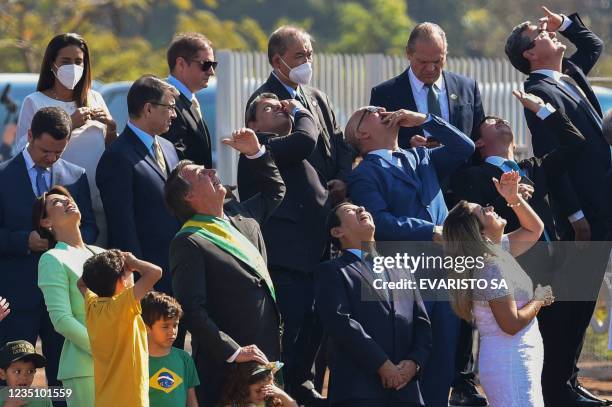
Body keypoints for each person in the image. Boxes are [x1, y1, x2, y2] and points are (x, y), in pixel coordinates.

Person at [371, 27, 486, 403]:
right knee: (423, 313)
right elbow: (381, 149)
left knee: (461, 300)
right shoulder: (385, 94)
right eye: (423, 62)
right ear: (408, 55)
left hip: (459, 207)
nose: (430, 68)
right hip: (417, 215)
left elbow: (473, 148)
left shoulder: (465, 86)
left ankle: (462, 379)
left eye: (438, 61)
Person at [505, 6, 610, 406]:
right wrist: (575, 215)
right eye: (542, 36)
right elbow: (557, 156)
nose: (552, 37)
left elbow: (593, 43)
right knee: (571, 300)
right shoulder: (540, 92)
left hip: (601, 203)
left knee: (584, 302)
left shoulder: (568, 76)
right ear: (530, 55)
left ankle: (568, 378)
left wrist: (563, 22)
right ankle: (556, 386)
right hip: (582, 209)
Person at [345, 106, 474, 407]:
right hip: (406, 278)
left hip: (445, 274)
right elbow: (381, 222)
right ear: (362, 134)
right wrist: (433, 231)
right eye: (370, 113)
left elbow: (464, 147)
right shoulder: (364, 174)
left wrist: (426, 120)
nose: (382, 110)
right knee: (412, 358)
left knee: (443, 359)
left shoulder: (421, 156)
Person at [165, 127, 285, 406]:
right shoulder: (189, 241)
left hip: (266, 352)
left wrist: (255, 153)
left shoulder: (241, 216)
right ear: (188, 197)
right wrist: (233, 351)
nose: (210, 171)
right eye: (200, 174)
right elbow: (192, 309)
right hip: (228, 366)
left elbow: (274, 191)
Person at [0, 107, 97, 400]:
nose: (52, 158)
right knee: (15, 381)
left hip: (66, 299)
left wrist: (62, 240)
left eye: (59, 151)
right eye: (45, 150)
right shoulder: (3, 176)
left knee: (62, 381)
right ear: (29, 135)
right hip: (17, 297)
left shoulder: (75, 176)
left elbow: (90, 229)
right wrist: (22, 241)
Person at [239, 93, 329, 400]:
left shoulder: (287, 151)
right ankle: (283, 393)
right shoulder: (260, 147)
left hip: (309, 261)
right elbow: (306, 139)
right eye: (268, 107)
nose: (279, 107)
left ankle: (301, 386)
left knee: (311, 329)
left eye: (280, 105)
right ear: (252, 124)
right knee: (289, 335)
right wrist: (301, 109)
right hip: (286, 263)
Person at [444, 171, 555, 407]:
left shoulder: (496, 250)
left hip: (517, 356)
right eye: (484, 211)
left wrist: (513, 197)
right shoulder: (489, 266)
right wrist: (538, 299)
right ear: (480, 232)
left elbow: (534, 229)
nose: (491, 209)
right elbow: (511, 324)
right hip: (510, 360)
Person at [315, 202, 431, 407]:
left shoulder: (402, 269)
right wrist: (382, 365)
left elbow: (422, 324)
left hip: (406, 392)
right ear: (337, 231)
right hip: (359, 392)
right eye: (350, 210)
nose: (361, 209)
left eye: (361, 207)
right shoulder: (333, 271)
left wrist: (414, 363)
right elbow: (341, 324)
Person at [15, 33, 117, 247]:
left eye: (78, 62)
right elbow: (22, 152)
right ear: (52, 64)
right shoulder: (35, 102)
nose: (73, 67)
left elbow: (109, 150)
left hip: (97, 199)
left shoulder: (95, 97)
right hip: (59, 203)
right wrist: (68, 124)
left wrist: (111, 128)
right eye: (66, 61)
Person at [247, 25, 353, 206]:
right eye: (299, 56)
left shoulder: (318, 97)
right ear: (277, 62)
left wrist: (343, 179)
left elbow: (338, 141)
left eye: (309, 55)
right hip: (295, 206)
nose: (307, 62)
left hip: (330, 201)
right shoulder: (263, 102)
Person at [96, 75, 181, 296]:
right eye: (169, 107)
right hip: (147, 277)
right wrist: (140, 277)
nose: (174, 114)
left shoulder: (168, 147)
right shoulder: (118, 156)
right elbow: (122, 224)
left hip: (178, 268)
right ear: (148, 109)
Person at [35, 185, 105, 407]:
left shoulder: (103, 254)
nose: (66, 201)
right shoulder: (52, 258)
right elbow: (61, 320)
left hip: (124, 359)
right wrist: (104, 347)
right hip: (86, 367)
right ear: (46, 223)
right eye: (56, 202)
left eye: (67, 198)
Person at [79, 249, 162, 407]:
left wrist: (104, 268)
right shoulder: (123, 305)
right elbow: (155, 272)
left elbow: (82, 283)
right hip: (131, 401)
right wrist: (133, 261)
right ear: (120, 282)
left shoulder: (93, 306)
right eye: (127, 271)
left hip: (104, 400)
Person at [161, 32, 215, 168]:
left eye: (213, 65)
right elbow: (175, 161)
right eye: (205, 64)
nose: (211, 71)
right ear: (181, 64)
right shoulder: (166, 101)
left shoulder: (186, 100)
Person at [141, 291, 199, 407]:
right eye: (165, 326)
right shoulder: (137, 360)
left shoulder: (184, 359)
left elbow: (191, 400)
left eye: (175, 325)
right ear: (147, 327)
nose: (172, 331)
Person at [219, 361, 297, 407]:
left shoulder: (271, 401)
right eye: (258, 390)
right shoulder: (232, 404)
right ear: (244, 387)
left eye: (268, 388)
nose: (263, 394)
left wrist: (281, 394)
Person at [0, 340, 53, 407]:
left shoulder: (43, 399)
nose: (24, 377)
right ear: (2, 374)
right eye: (17, 371)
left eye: (30, 371)